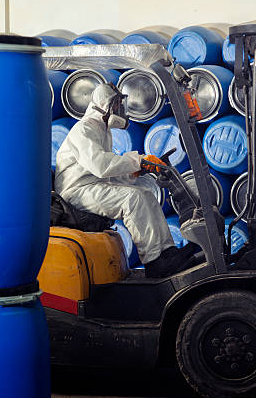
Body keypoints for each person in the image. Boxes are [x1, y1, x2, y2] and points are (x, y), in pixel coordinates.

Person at [54, 82, 196, 278]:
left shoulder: (102, 130)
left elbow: (107, 170)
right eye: (117, 105)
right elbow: (101, 165)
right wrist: (138, 161)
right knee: (132, 199)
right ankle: (154, 261)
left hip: (92, 185)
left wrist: (138, 171)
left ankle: (167, 252)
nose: (121, 110)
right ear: (105, 105)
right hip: (77, 191)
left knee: (145, 191)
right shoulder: (84, 129)